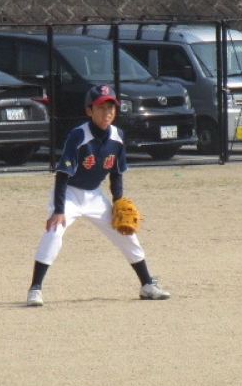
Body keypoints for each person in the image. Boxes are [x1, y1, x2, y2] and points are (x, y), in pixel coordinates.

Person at [26, 84, 170, 306]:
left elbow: (116, 173)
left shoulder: (117, 137)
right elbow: (62, 174)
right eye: (101, 107)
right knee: (54, 234)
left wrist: (118, 201)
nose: (107, 112)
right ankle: (35, 289)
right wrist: (59, 210)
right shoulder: (78, 135)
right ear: (89, 111)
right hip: (69, 194)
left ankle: (147, 285)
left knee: (126, 234)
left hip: (94, 196)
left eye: (111, 107)